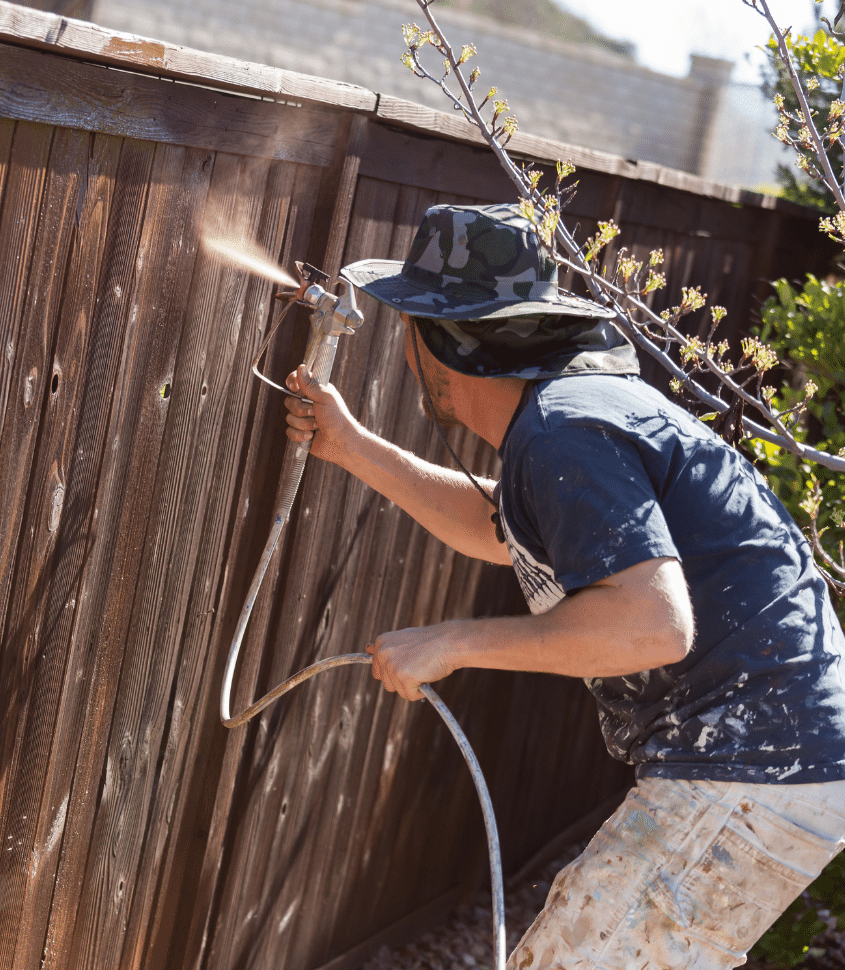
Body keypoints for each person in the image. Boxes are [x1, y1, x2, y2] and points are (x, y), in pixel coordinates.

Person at [282, 203, 845, 970]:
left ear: (446, 338)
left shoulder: (563, 431)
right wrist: (351, 446)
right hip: (777, 760)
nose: (406, 350)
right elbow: (505, 532)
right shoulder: (566, 420)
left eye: (410, 326)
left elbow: (651, 626)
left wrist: (453, 641)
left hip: (753, 765)